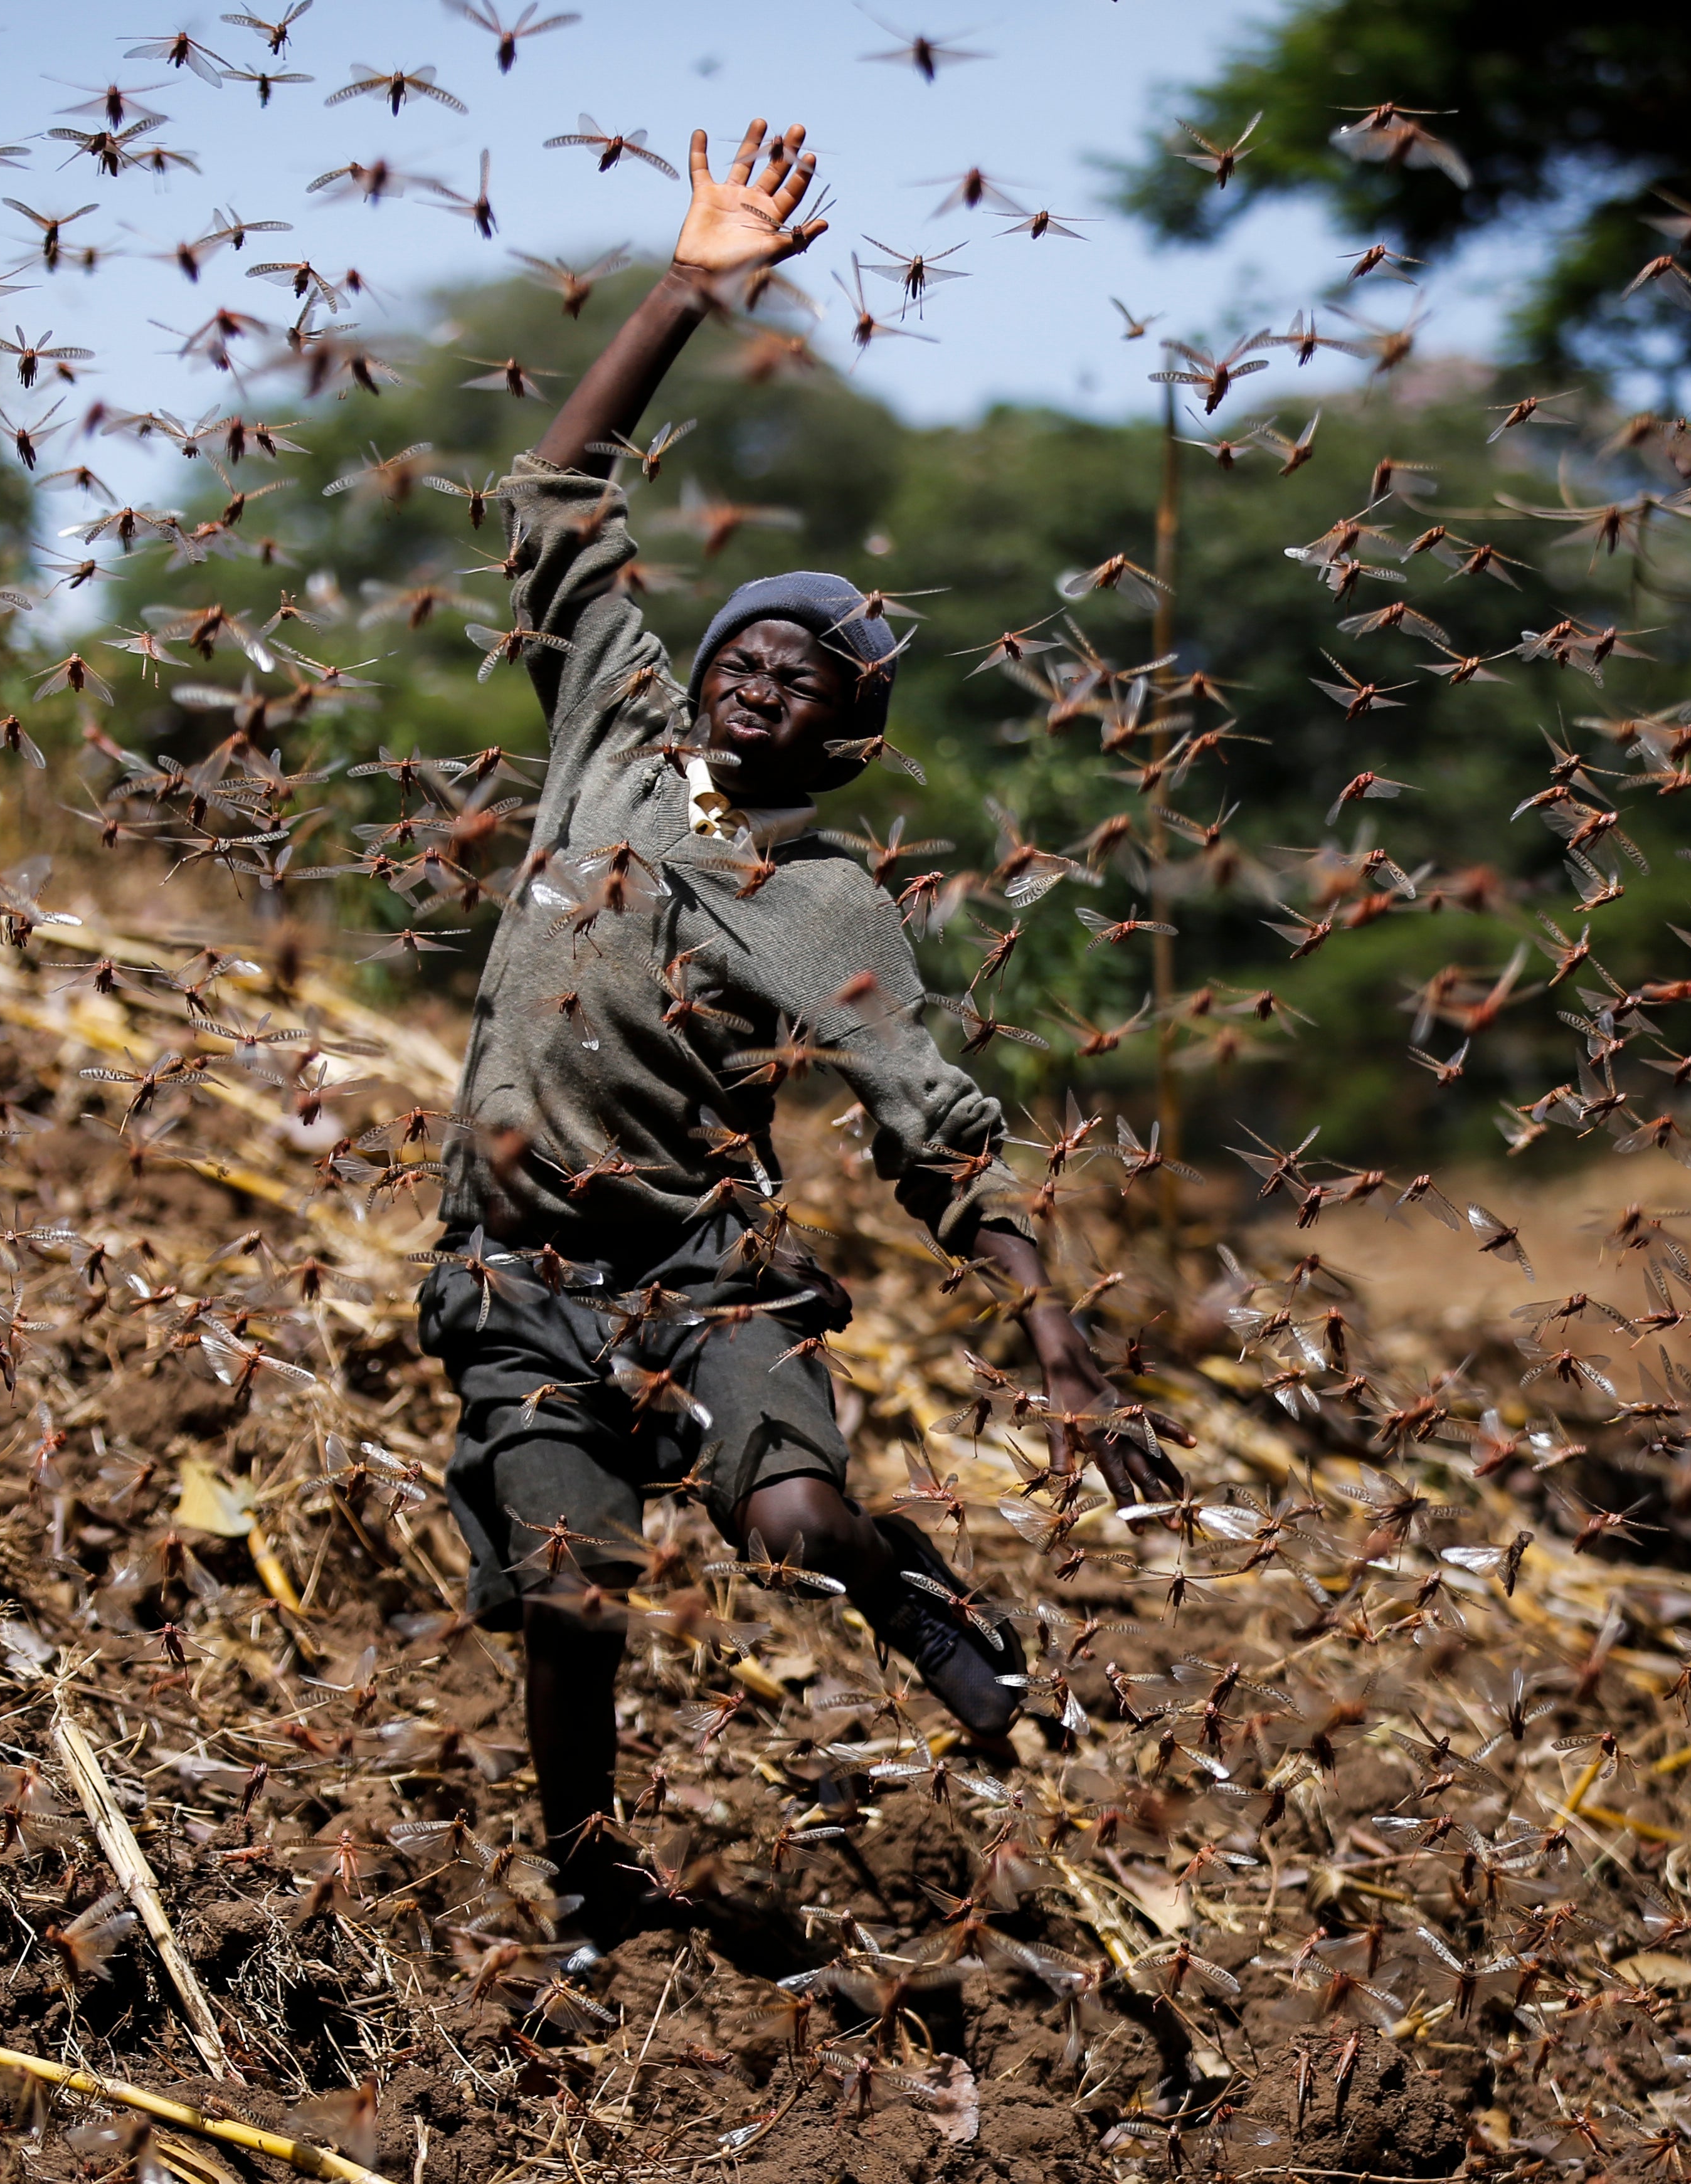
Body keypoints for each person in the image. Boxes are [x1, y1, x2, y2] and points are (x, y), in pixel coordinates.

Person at [413, 120, 1171, 1935]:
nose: (760, 672)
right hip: (515, 1270)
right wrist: (687, 287)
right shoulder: (606, 735)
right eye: (747, 645)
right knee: (573, 1585)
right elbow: (555, 490)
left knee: (797, 1530)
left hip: (701, 1269)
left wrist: (1054, 1335)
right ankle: (594, 1877)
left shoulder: (828, 903)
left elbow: (933, 1121)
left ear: (836, 733)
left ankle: (902, 1591)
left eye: (804, 675)